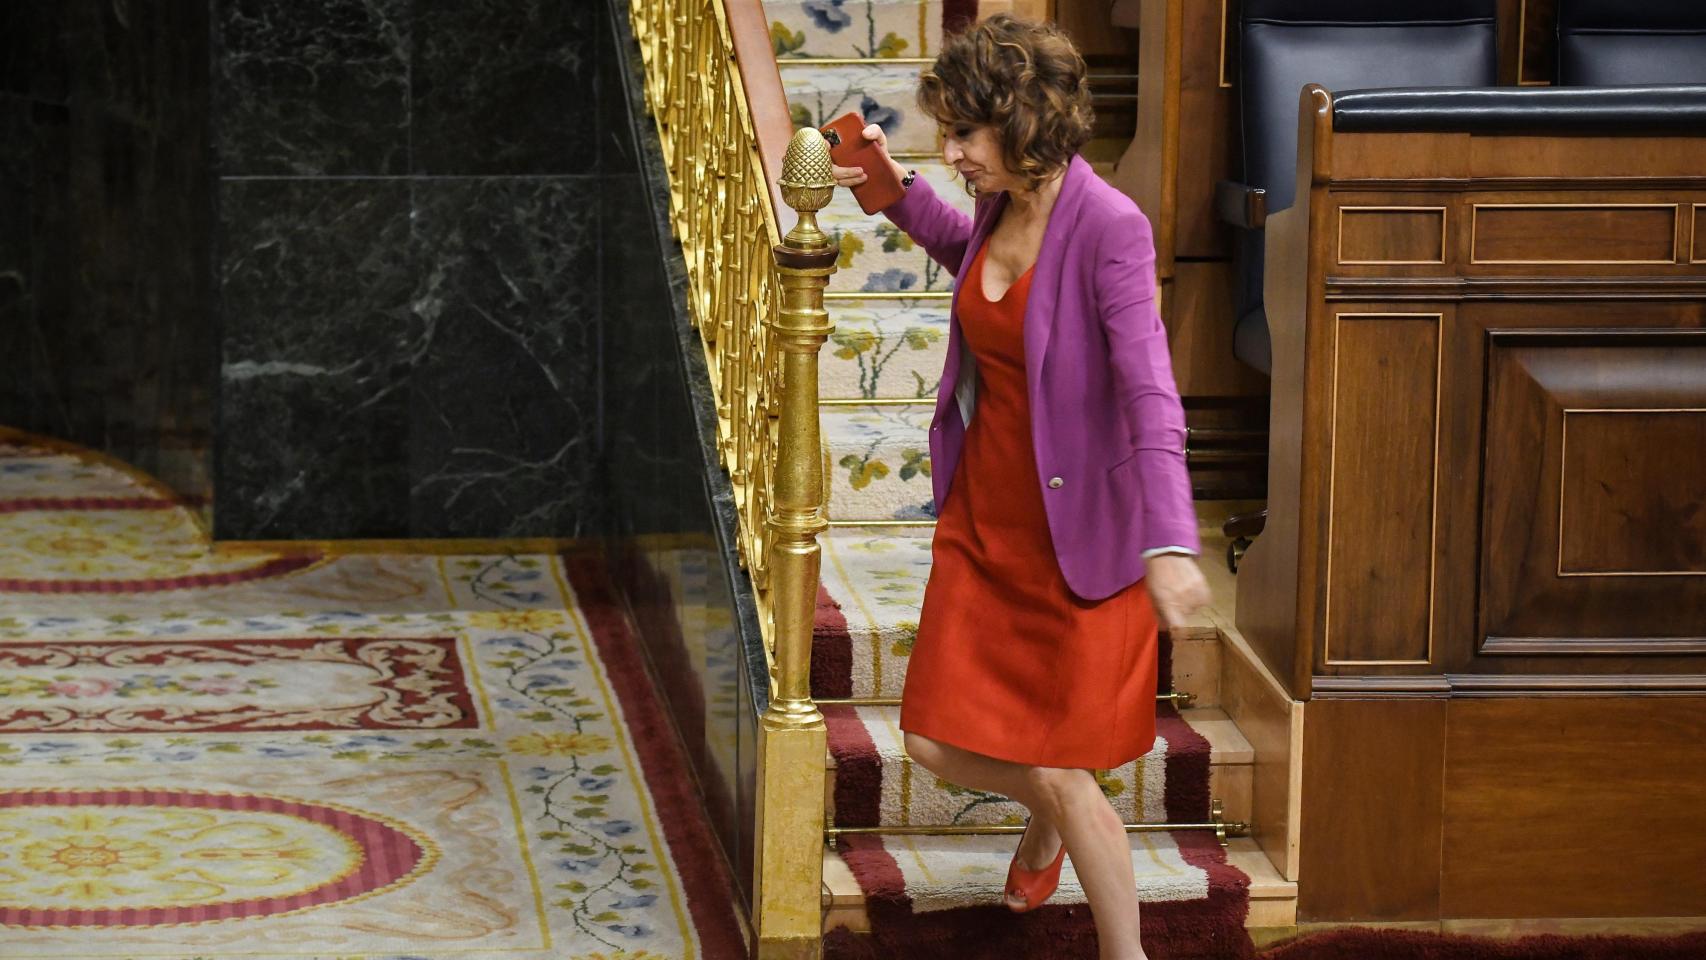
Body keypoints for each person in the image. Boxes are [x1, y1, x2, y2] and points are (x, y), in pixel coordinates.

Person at [829, 14, 1211, 960]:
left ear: (1026, 125)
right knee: (931, 742)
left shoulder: (1110, 226)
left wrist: (1169, 541)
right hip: (984, 515)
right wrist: (890, 187)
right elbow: (984, 272)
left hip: (1082, 529)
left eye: (965, 134)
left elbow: (1150, 391)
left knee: (1065, 766)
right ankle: (1053, 804)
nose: (951, 151)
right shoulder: (1004, 202)